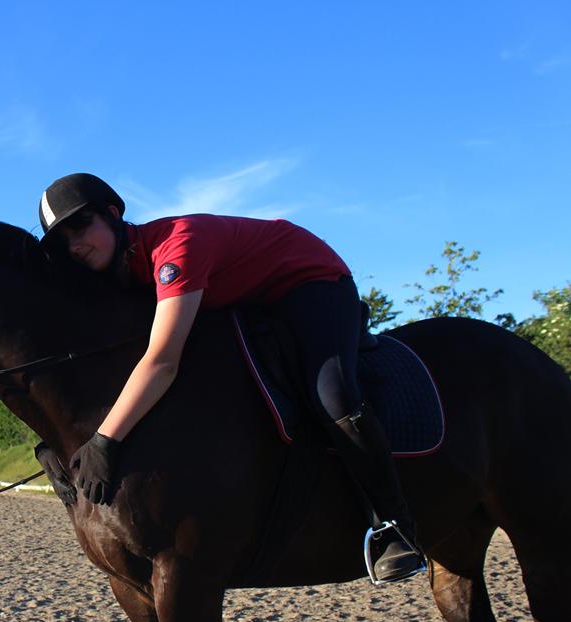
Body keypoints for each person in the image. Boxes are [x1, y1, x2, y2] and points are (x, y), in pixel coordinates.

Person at [35, 172, 426, 584]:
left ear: (112, 214)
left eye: (79, 226)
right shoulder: (118, 273)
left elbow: (162, 361)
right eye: (62, 240)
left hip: (308, 282)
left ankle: (394, 525)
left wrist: (105, 440)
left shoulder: (175, 247)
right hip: (242, 295)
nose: (73, 245)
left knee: (331, 395)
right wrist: (52, 440)